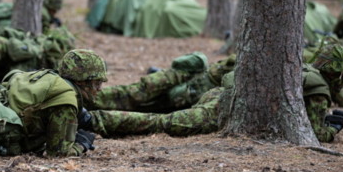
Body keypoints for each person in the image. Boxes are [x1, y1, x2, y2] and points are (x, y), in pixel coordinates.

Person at [81, 38, 343, 143]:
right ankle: (95, 120)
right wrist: (332, 129)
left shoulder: (303, 70)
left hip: (218, 96)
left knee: (156, 111)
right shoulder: (318, 86)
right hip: (220, 104)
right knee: (165, 122)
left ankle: (94, 115)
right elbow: (317, 135)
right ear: (339, 73)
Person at [86, 52, 235, 113]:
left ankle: (88, 104)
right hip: (185, 81)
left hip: (186, 91)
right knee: (136, 94)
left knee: (140, 103)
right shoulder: (240, 61)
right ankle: (86, 101)